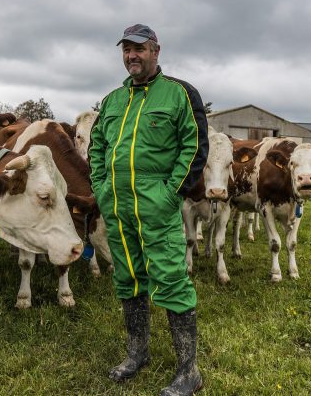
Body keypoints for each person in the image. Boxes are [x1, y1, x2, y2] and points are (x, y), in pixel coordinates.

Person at [89, 24, 208, 395]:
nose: (131, 56)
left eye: (139, 49)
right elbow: (96, 147)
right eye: (126, 49)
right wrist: (102, 187)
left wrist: (171, 192)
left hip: (157, 209)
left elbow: (195, 146)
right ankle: (137, 354)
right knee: (127, 280)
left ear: (156, 50)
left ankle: (189, 371)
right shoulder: (111, 101)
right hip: (119, 210)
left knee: (172, 281)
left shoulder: (179, 94)